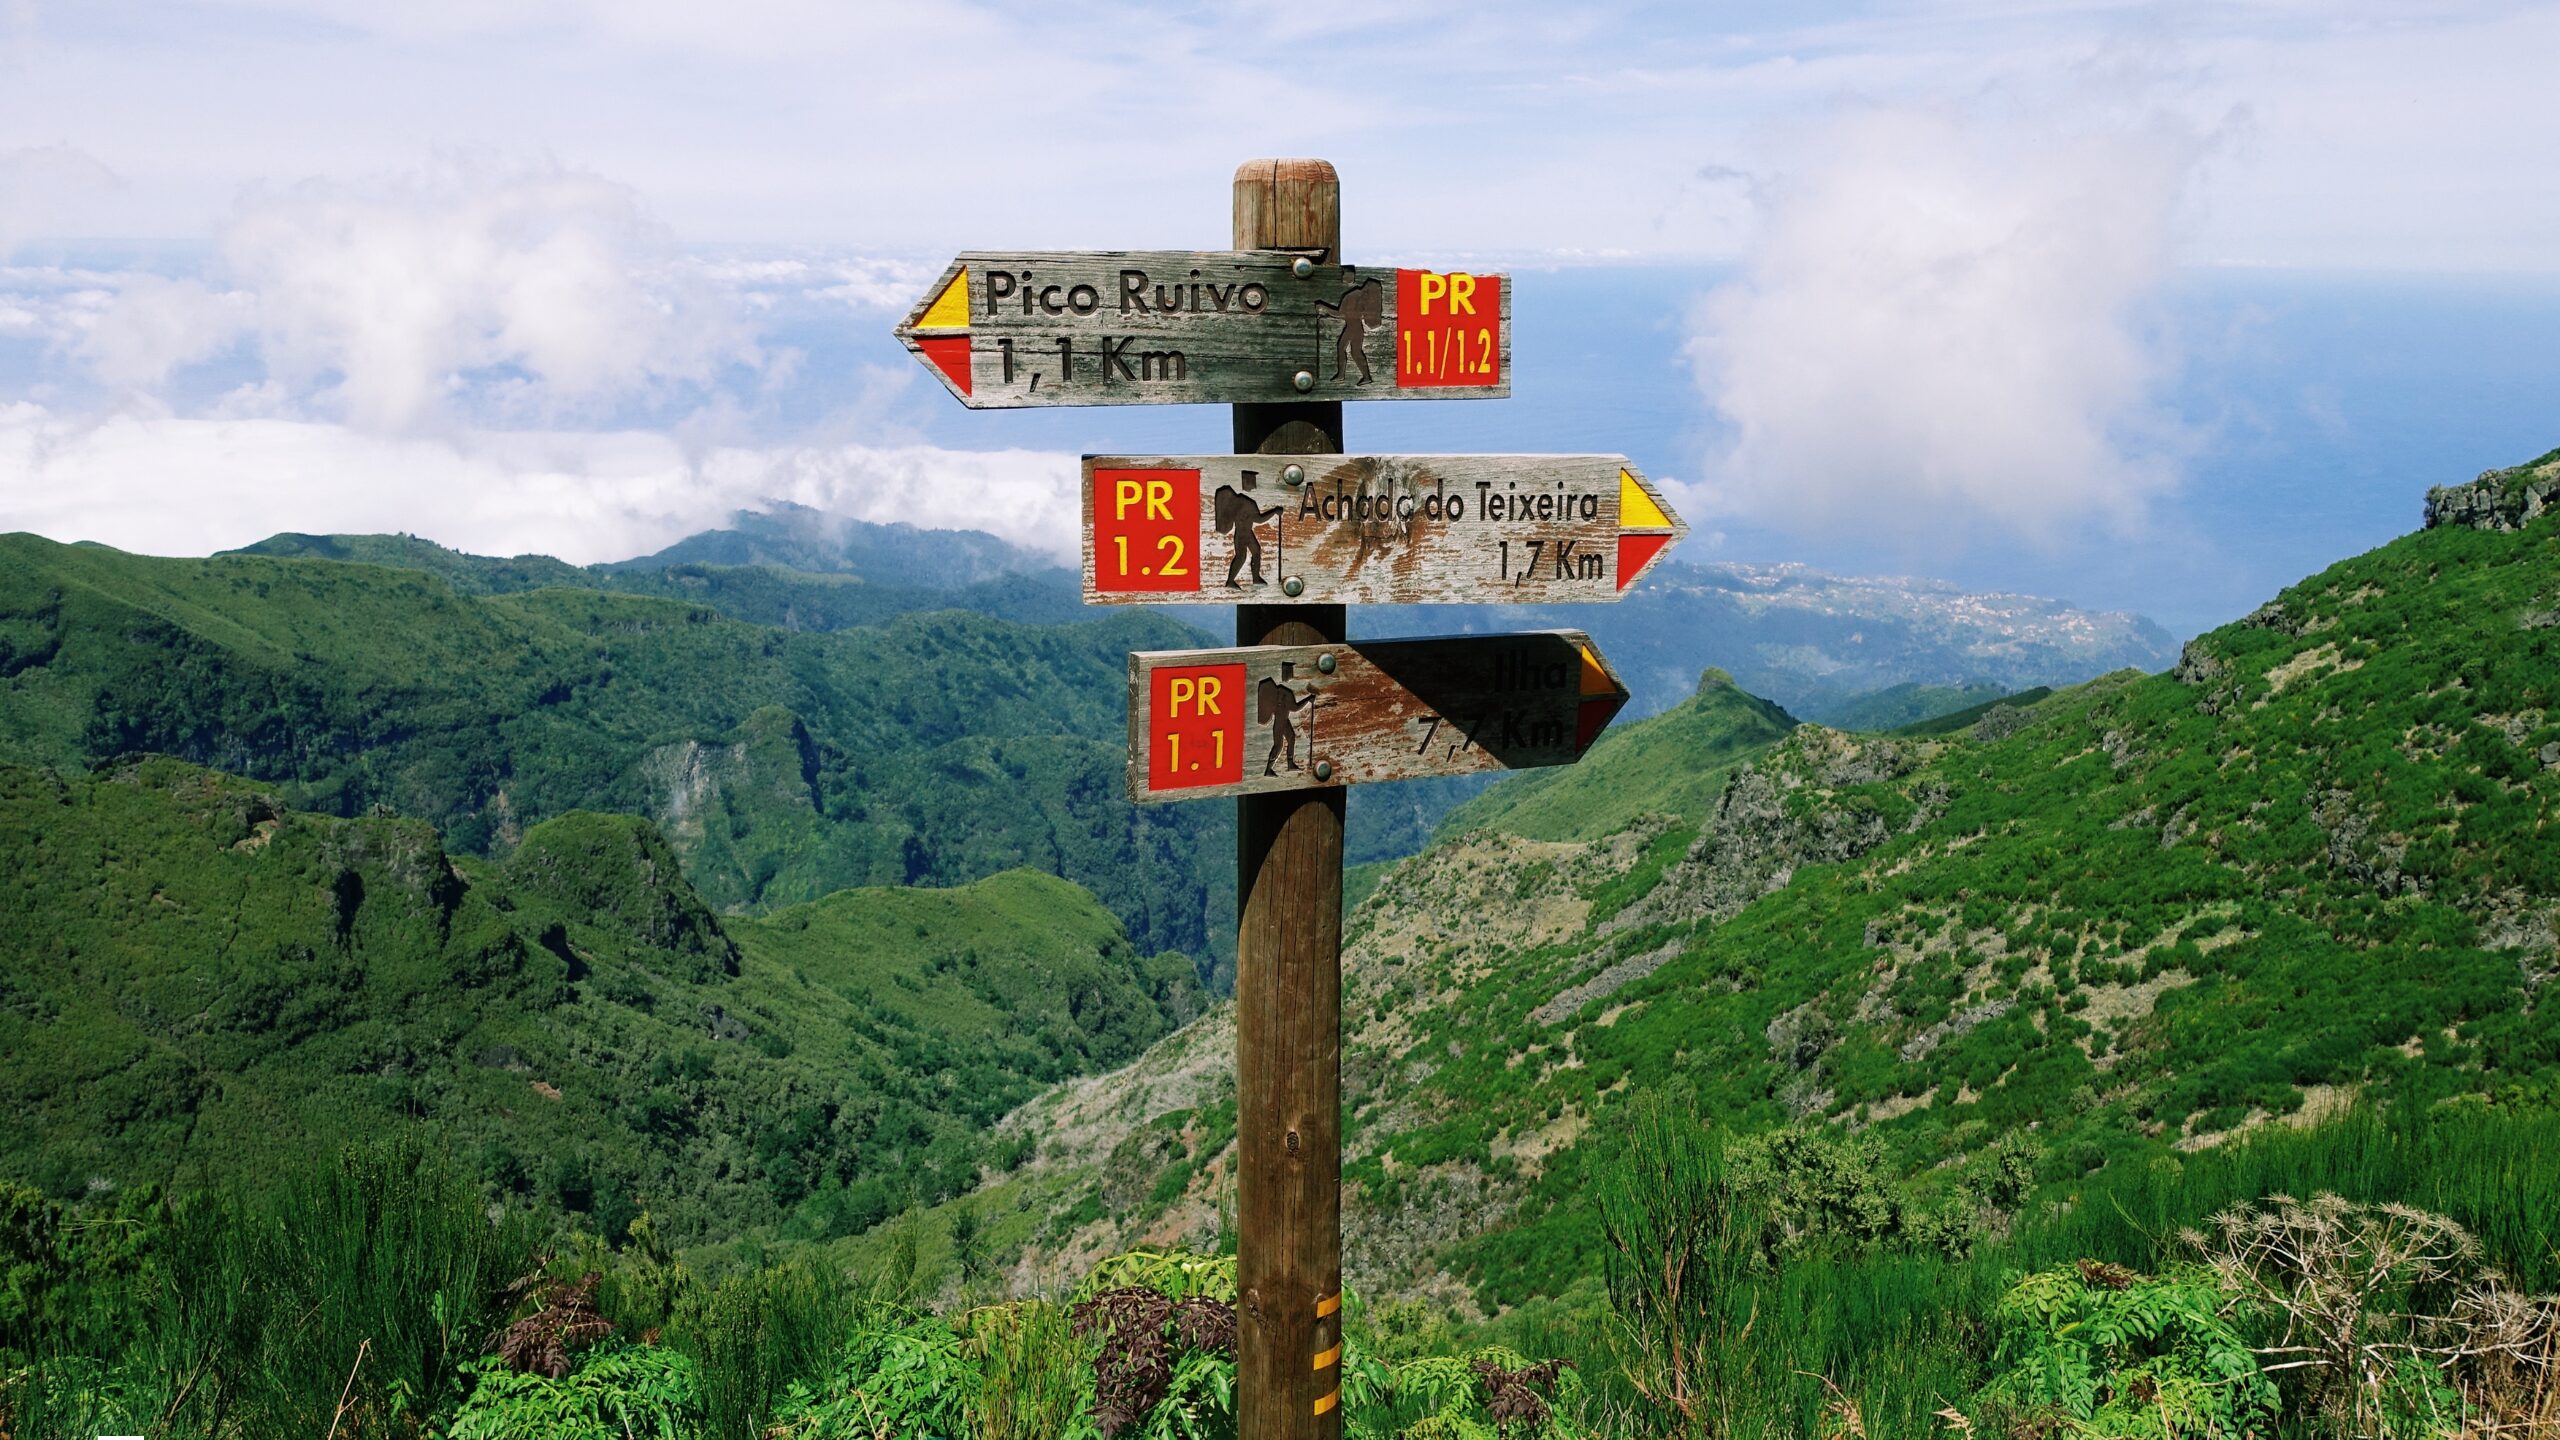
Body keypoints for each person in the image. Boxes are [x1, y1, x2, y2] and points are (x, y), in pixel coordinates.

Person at [1214, 471, 1284, 588]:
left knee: (1256, 551)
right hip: (1242, 535)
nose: (1252, 486)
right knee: (1241, 557)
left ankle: (1255, 577)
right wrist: (1275, 511)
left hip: (1247, 533)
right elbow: (1259, 519)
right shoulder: (1246, 503)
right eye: (1251, 483)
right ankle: (1230, 581)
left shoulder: (1241, 502)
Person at [1313, 274, 1382, 384]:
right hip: (1355, 327)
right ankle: (1359, 376)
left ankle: (1353, 376)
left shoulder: (1354, 295)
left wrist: (1323, 307)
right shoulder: (1359, 297)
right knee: (1351, 351)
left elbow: (1340, 313)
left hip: (1353, 328)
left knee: (1350, 350)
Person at [1258, 662, 1319, 775]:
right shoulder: (1283, 695)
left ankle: (1290, 763)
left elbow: (1294, 707)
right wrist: (1308, 699)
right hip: (1279, 724)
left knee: (1291, 738)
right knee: (1278, 746)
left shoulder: (1283, 693)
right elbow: (1295, 708)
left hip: (1284, 721)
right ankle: (1268, 769)